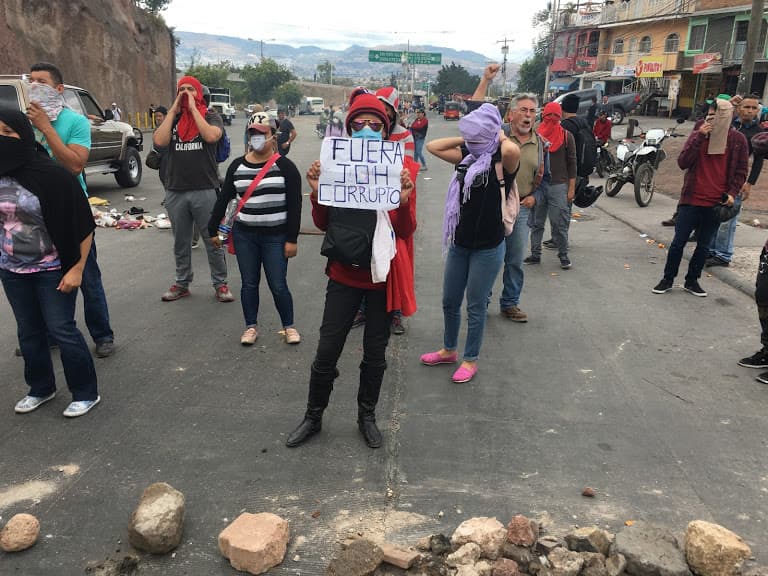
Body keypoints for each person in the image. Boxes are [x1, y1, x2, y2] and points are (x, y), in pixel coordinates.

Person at [285, 91, 417, 449]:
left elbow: (405, 231)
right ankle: (313, 415)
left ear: (386, 131)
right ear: (348, 129)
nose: (367, 130)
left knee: (375, 354)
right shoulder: (334, 167)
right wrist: (315, 191)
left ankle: (367, 416)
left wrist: (403, 201)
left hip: (380, 279)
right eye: (359, 125)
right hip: (343, 277)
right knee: (327, 349)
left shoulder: (398, 172)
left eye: (375, 125)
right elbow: (324, 223)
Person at [0, 109, 100, 418]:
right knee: (29, 332)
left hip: (53, 268)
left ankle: (85, 392)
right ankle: (41, 388)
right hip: (13, 269)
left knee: (61, 329)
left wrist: (78, 268)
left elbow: (83, 224)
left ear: (25, 136)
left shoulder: (52, 175)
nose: (2, 139)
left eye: (8, 132)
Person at [420, 103, 520, 384]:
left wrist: (497, 134)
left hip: (488, 247)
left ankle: (470, 359)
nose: (474, 142)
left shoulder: (503, 160)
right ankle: (449, 350)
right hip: (460, 243)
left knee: (475, 306)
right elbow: (434, 147)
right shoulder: (466, 157)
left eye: (479, 136)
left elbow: (512, 149)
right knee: (449, 301)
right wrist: (469, 138)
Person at [27, 61, 116, 358]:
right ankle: (51, 332)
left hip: (70, 211)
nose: (34, 86)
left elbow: (75, 164)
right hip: (35, 214)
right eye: (31, 81)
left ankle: (102, 334)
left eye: (41, 81)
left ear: (59, 89)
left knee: (86, 276)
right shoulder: (23, 123)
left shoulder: (75, 123)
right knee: (42, 276)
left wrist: (45, 128)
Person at [208, 111, 302, 346]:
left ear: (273, 136)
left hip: (276, 236)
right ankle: (250, 326)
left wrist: (292, 239)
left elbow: (295, 205)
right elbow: (224, 199)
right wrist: (212, 229)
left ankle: (288, 326)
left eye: (263, 133)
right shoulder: (237, 167)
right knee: (249, 283)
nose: (257, 138)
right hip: (245, 235)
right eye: (253, 134)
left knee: (278, 284)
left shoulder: (286, 167)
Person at [652, 99, 748, 298]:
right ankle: (667, 279)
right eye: (710, 116)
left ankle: (692, 280)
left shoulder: (737, 140)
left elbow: (740, 171)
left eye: (718, 117)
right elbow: (682, 162)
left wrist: (732, 193)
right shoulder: (699, 134)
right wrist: (700, 137)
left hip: (716, 203)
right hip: (691, 200)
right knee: (679, 242)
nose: (713, 120)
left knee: (704, 245)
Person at [153, 75, 234, 303]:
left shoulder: (211, 116)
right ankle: (182, 282)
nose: (186, 93)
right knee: (181, 240)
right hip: (176, 189)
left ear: (199, 92)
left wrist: (193, 109)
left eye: (191, 89)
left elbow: (211, 136)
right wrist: (173, 111)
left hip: (205, 188)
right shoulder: (174, 118)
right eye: (182, 89)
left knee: (212, 239)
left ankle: (220, 284)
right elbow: (159, 141)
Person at [707, 94, 766, 267]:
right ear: (738, 109)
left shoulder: (758, 133)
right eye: (746, 107)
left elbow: (758, 160)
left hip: (737, 181)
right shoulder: (729, 125)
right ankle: (710, 250)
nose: (750, 111)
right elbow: (707, 116)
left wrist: (750, 183)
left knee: (728, 220)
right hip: (718, 177)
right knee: (713, 216)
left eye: (754, 108)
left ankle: (723, 255)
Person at [375, 87, 415, 335]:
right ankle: (363, 308)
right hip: (369, 203)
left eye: (386, 109)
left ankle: (396, 311)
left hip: (395, 202)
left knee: (396, 258)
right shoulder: (364, 133)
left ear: (393, 111)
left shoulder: (405, 136)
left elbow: (407, 169)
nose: (383, 114)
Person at [526, 101, 576, 270]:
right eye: (549, 115)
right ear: (543, 115)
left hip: (558, 186)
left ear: (560, 116)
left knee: (559, 224)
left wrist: (571, 189)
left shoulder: (566, 136)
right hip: (538, 186)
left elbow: (572, 164)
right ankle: (535, 254)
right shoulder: (535, 135)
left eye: (555, 115)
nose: (552, 119)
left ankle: (563, 255)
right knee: (536, 223)